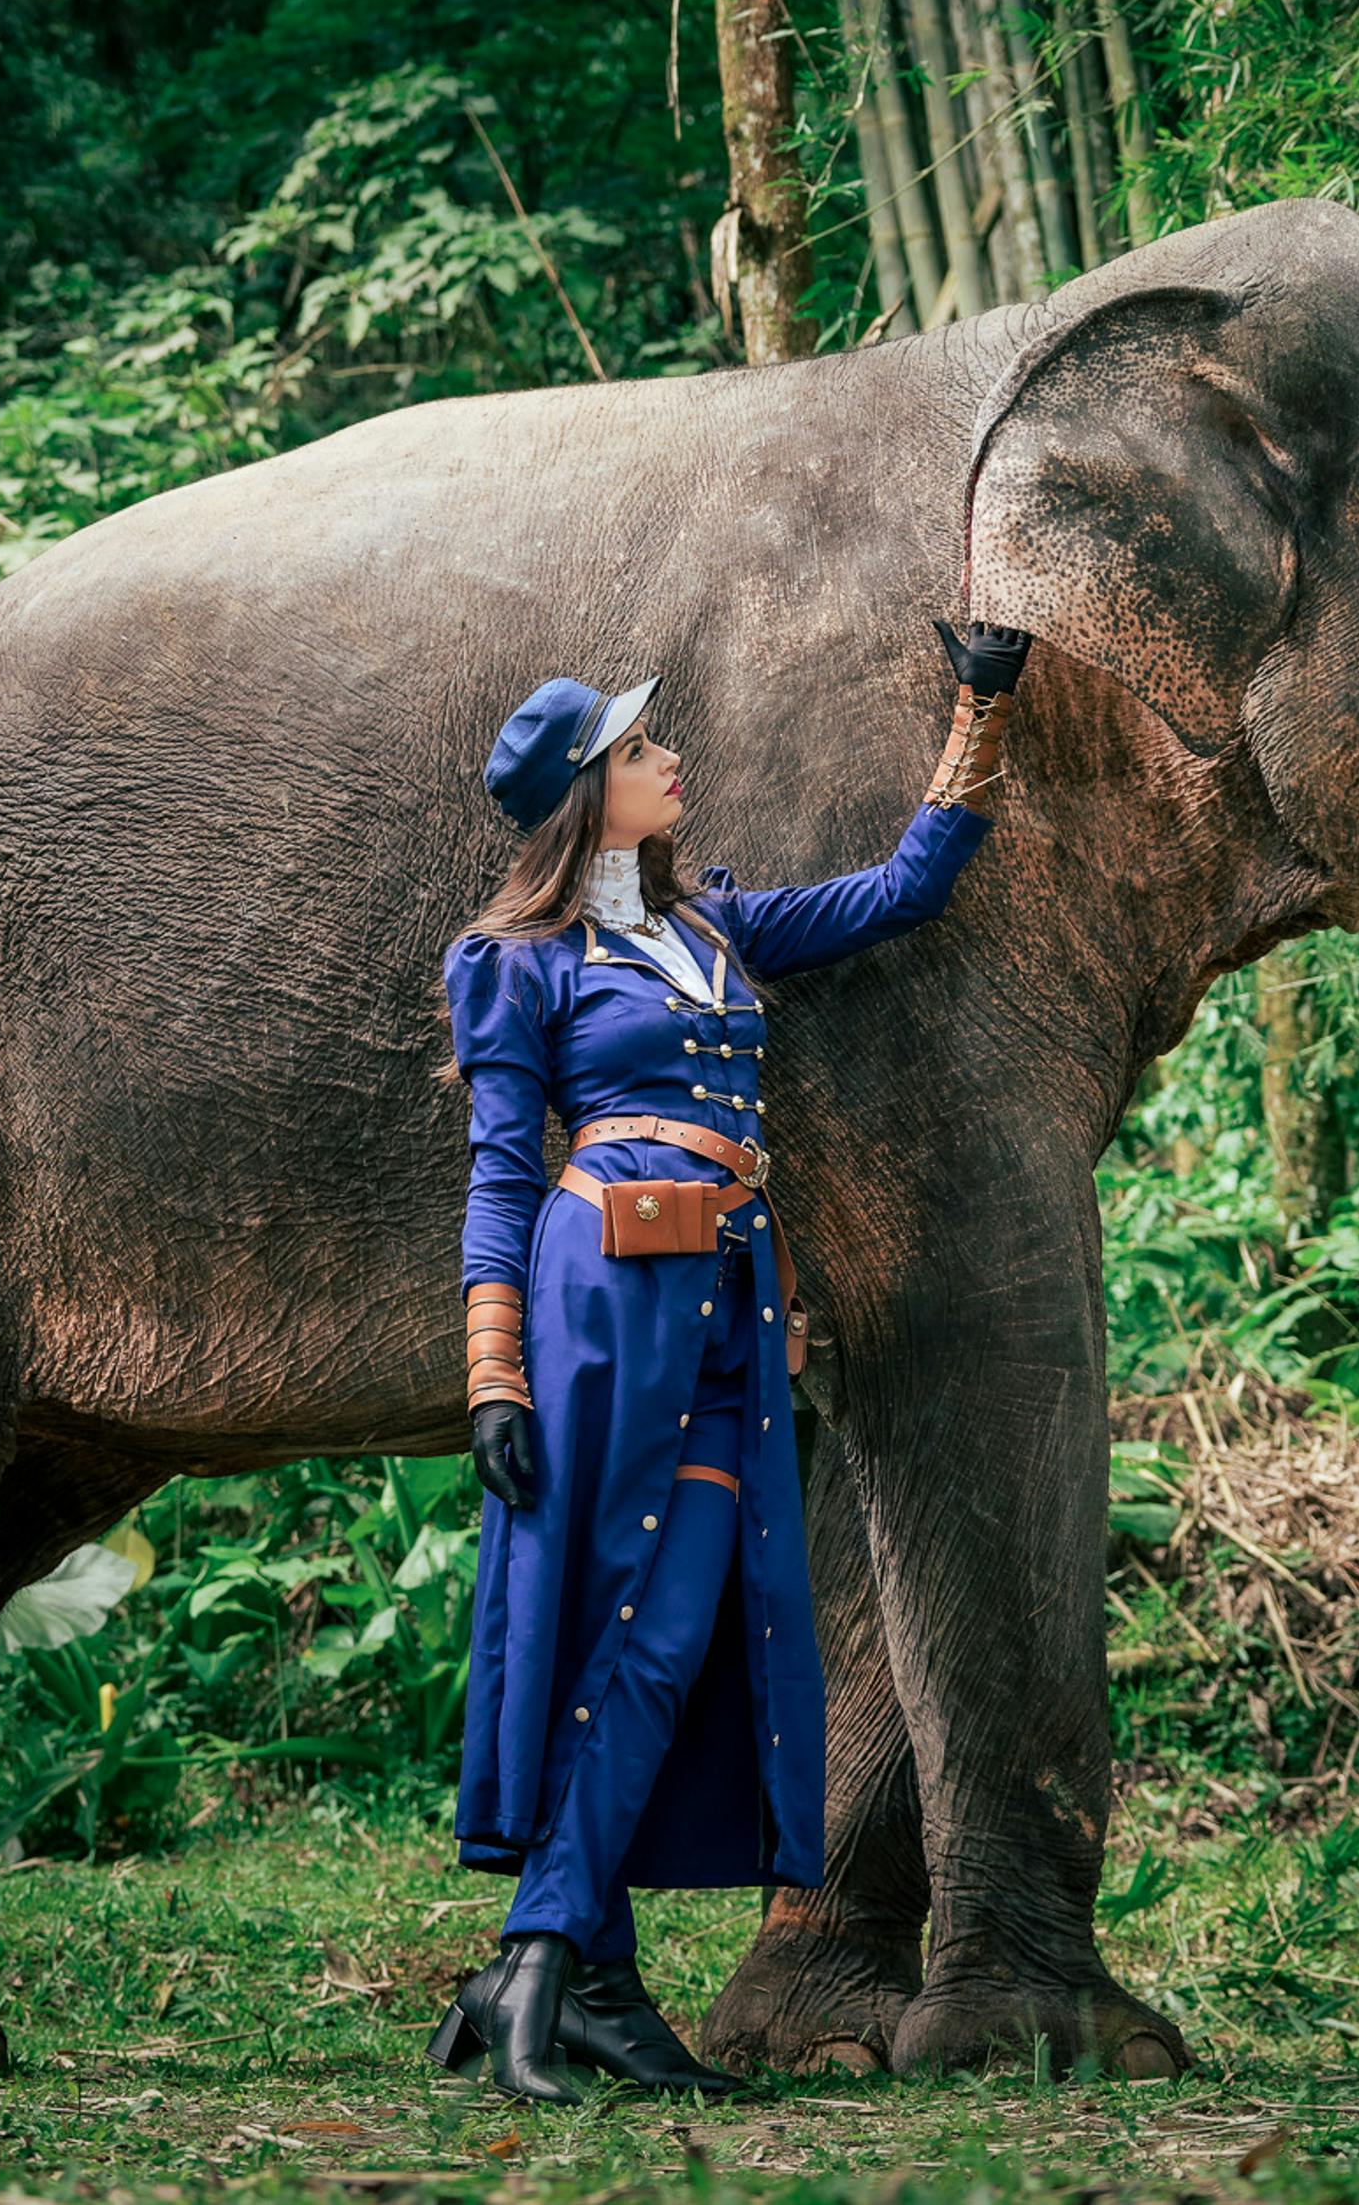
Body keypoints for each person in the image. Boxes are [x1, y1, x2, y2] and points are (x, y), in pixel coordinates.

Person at [428, 622, 1031, 2102]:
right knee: (606, 1631)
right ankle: (568, 1982)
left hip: (730, 1304)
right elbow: (505, 1174)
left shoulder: (717, 932)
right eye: (639, 750)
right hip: (595, 1303)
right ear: (585, 793)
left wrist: (982, 702)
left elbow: (907, 888)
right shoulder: (514, 964)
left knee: (675, 1626)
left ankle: (542, 1973)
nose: (669, 759)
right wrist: (493, 1368)